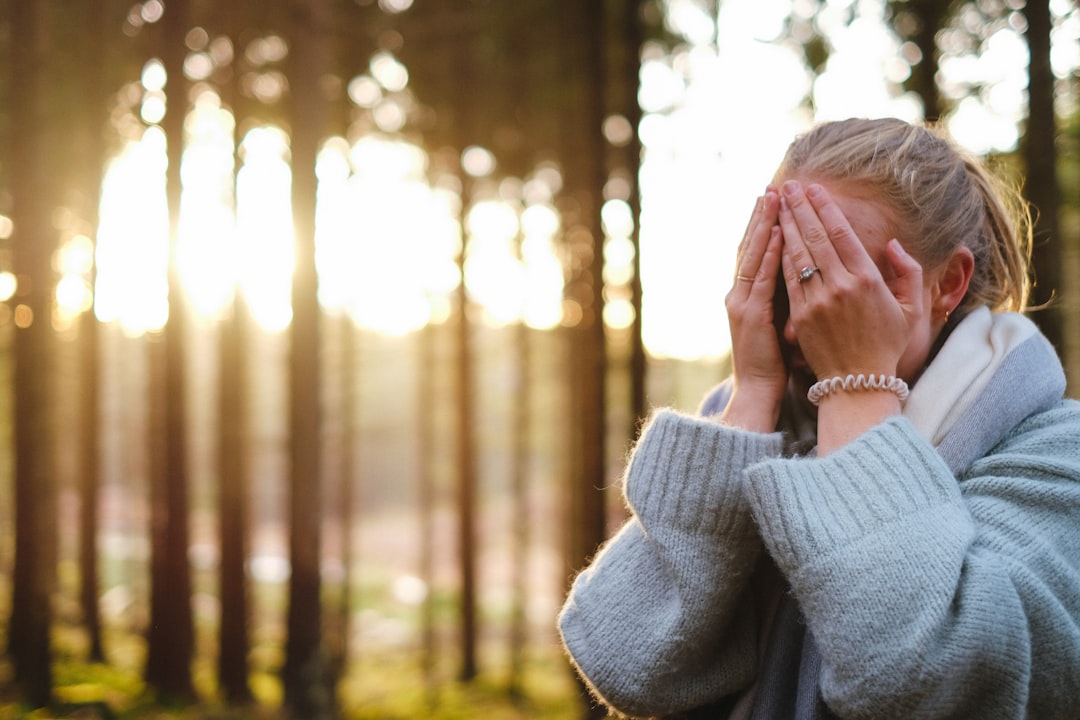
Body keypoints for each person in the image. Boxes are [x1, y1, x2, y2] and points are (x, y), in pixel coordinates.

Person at [557, 117, 1080, 719]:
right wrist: (751, 394)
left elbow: (933, 679)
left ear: (949, 283)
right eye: (786, 279)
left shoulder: (1054, 454)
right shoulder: (748, 433)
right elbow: (628, 666)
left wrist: (858, 389)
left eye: (835, 279)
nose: (796, 323)